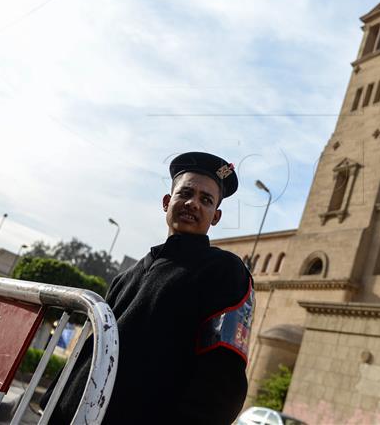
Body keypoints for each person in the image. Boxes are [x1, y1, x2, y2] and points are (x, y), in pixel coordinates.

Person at [48, 152, 254, 424]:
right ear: (167, 202)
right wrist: (54, 399)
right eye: (186, 193)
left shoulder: (225, 272)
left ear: (215, 216)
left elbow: (222, 380)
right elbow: (94, 348)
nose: (193, 203)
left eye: (206, 200)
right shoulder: (126, 277)